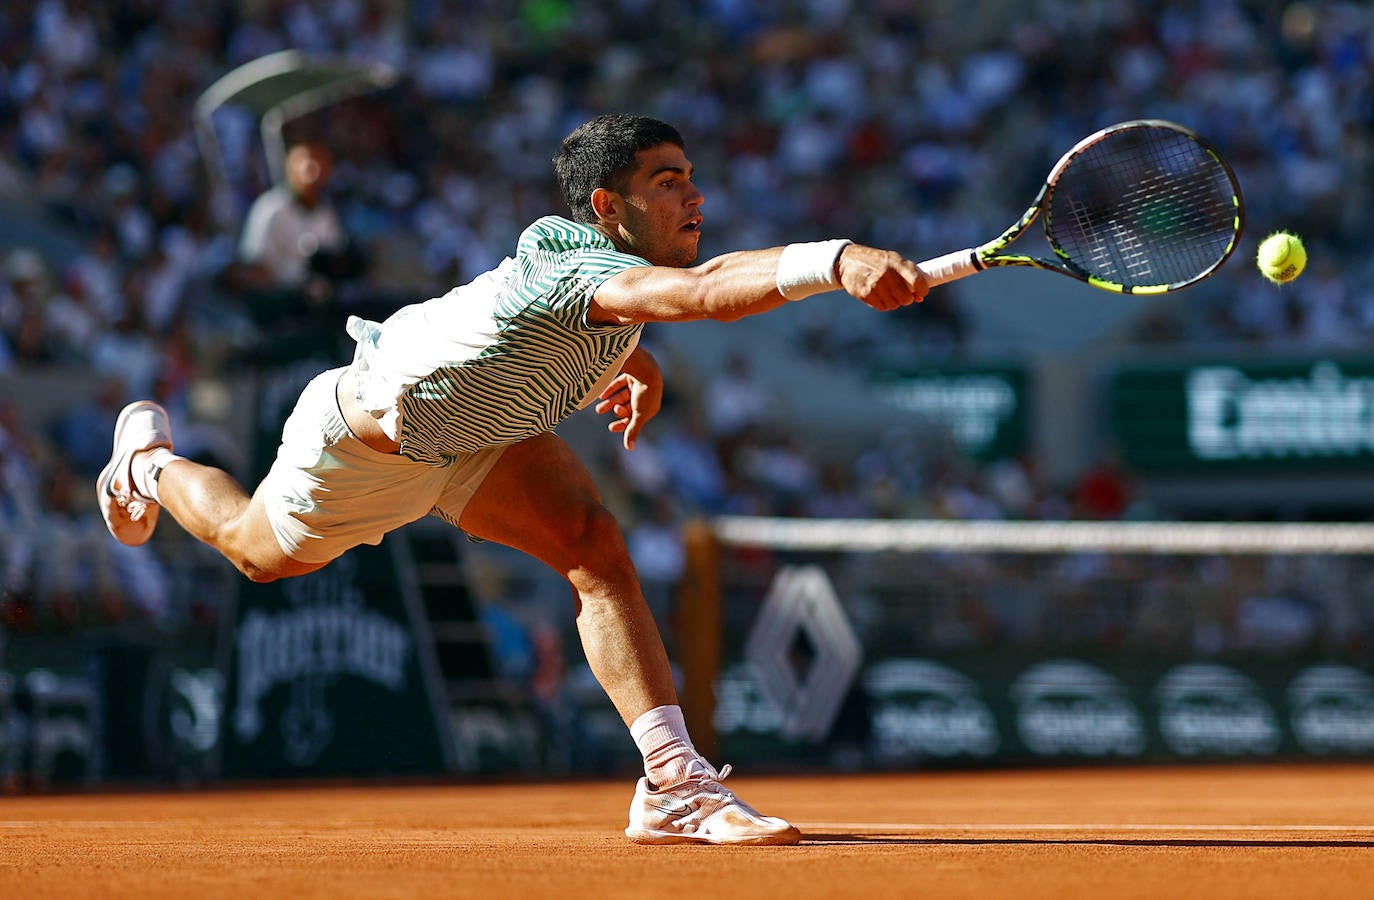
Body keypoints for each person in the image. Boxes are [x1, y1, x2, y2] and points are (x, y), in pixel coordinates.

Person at [96, 114, 927, 845]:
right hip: (364, 446)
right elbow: (702, 293)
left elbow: (609, 319)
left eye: (692, 178)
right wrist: (836, 258)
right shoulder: (571, 265)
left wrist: (633, 365)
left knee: (595, 547)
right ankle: (148, 461)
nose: (693, 198)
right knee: (256, 554)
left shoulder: (614, 286)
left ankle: (673, 786)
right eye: (667, 182)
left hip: (481, 439)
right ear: (608, 207)